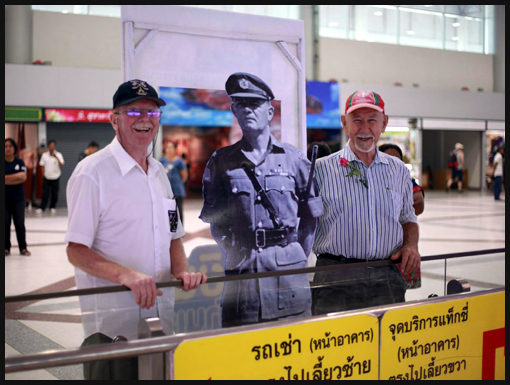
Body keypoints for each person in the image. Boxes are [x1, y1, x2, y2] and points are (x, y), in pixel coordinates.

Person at [64, 79, 207, 380]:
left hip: (160, 322)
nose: (145, 120)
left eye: (153, 113)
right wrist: (126, 275)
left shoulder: (159, 174)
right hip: (112, 330)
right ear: (113, 119)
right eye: (134, 112)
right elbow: (76, 251)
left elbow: (173, 236)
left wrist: (181, 270)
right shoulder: (93, 173)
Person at [200, 72, 323, 328]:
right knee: (242, 352)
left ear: (269, 111)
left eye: (254, 104)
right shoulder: (221, 162)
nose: (248, 110)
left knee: (292, 350)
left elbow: (310, 218)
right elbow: (216, 222)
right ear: (233, 109)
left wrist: (294, 255)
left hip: (288, 279)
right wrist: (238, 252)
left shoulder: (294, 159)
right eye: (241, 104)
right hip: (242, 279)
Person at [312, 91, 420, 315]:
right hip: (335, 277)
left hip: (388, 275)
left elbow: (408, 218)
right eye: (357, 120)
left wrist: (410, 245)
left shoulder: (398, 170)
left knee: (386, 344)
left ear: (384, 123)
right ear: (345, 123)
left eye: (372, 120)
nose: (364, 129)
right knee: (335, 344)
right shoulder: (321, 170)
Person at [379, 143, 425, 216]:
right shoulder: (368, 181)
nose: (393, 163)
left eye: (397, 160)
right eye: (388, 159)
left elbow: (419, 204)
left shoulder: (406, 181)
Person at [5, 138, 31, 257]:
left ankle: (23, 248)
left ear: (14, 148)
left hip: (18, 199)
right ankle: (6, 248)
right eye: (5, 146)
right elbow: (18, 177)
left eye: (10, 146)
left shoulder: (19, 162)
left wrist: (6, 178)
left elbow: (23, 177)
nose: (8, 149)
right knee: (5, 224)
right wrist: (15, 178)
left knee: (19, 223)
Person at [160, 141, 188, 224]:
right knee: (168, 210)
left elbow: (184, 176)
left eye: (171, 147)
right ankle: (172, 228)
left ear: (175, 149)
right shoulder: (162, 161)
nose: (169, 149)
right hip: (165, 191)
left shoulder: (179, 161)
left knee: (178, 210)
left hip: (177, 190)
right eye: (167, 148)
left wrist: (177, 183)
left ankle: (180, 230)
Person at [35, 139, 65, 215]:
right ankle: (42, 208)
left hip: (56, 176)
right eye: (50, 146)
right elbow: (41, 165)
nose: (52, 148)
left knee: (54, 193)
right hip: (47, 177)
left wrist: (56, 157)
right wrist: (43, 174)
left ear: (55, 147)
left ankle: (52, 207)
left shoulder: (59, 155)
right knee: (45, 193)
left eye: (53, 146)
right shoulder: (44, 155)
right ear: (48, 147)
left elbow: (62, 165)